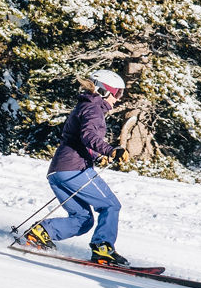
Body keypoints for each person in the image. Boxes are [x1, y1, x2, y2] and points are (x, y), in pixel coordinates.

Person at [20, 70, 132, 266]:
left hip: (58, 171)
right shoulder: (93, 109)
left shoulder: (85, 106)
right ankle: (103, 249)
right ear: (104, 91)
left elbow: (80, 139)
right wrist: (111, 151)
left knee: (82, 219)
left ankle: (40, 233)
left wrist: (97, 155)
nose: (118, 99)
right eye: (117, 93)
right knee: (111, 205)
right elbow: (89, 136)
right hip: (75, 170)